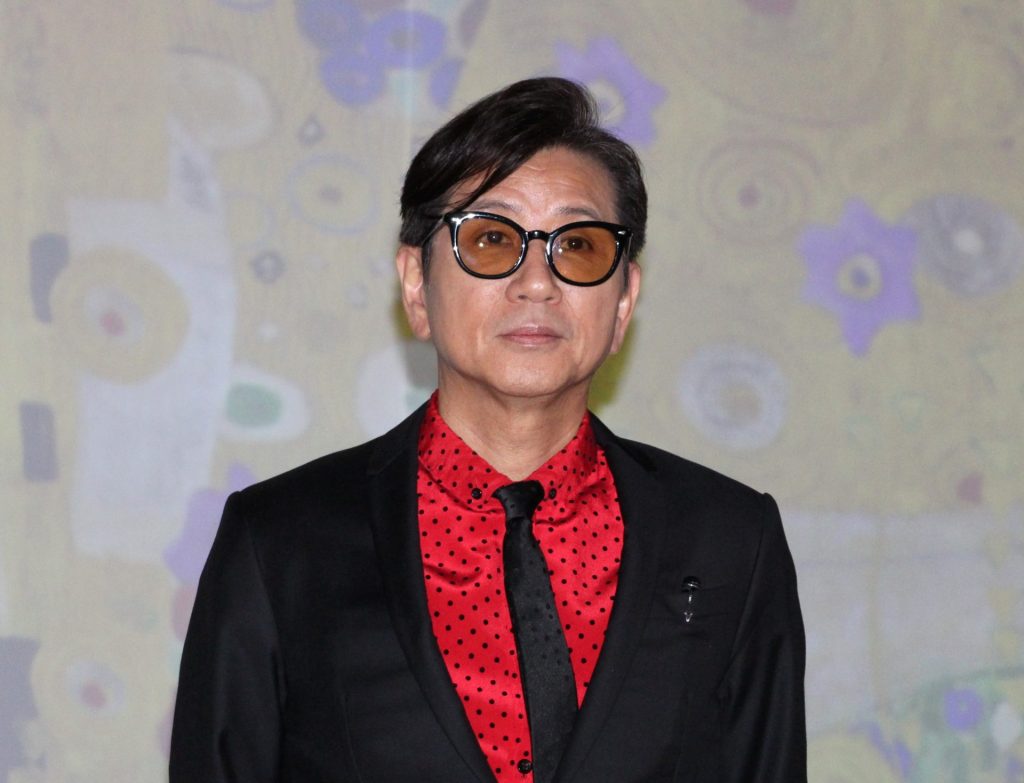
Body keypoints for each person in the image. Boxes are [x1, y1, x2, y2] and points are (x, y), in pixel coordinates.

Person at [169, 77, 806, 783]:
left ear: (624, 300)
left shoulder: (730, 540)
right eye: (492, 238)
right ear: (417, 284)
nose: (537, 282)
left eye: (579, 245)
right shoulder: (279, 542)